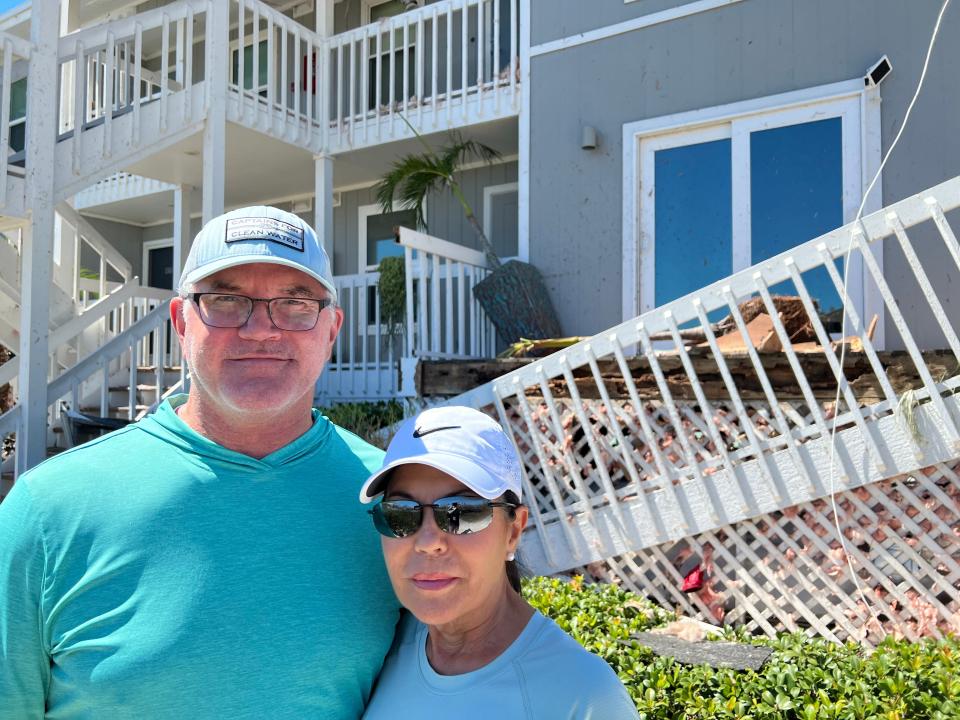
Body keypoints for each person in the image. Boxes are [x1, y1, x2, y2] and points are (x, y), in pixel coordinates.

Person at [0, 206, 400, 718]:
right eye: (226, 301)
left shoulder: (395, 500)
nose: (260, 329)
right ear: (180, 323)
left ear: (331, 330)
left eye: (296, 304)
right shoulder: (48, 510)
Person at [358, 406, 639, 719]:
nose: (428, 543)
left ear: (513, 531)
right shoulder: (381, 647)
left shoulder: (582, 693)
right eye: (400, 513)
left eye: (461, 513)